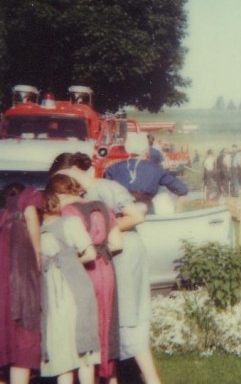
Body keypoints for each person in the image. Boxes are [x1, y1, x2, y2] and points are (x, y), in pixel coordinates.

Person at [48, 153, 161, 384]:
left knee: (127, 318)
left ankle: (150, 379)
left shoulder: (106, 187)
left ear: (73, 172)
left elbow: (137, 216)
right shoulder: (87, 194)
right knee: (113, 318)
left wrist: (101, 230)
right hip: (111, 253)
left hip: (124, 254)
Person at [50, 173, 124, 382]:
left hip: (83, 272)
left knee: (82, 327)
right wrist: (100, 251)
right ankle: (109, 376)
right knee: (106, 324)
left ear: (57, 193)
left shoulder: (66, 213)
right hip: (106, 269)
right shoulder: (102, 206)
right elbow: (118, 244)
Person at [40, 175, 101, 384]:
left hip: (50, 296)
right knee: (83, 351)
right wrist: (73, 261)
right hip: (74, 290)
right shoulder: (70, 223)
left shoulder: (37, 232)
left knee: (62, 353)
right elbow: (91, 254)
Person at [0, 183, 42, 384]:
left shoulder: (4, 216)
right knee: (23, 344)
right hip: (21, 286)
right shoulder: (28, 204)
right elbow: (36, 250)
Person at [104, 156, 188, 214]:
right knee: (163, 196)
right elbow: (182, 189)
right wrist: (178, 209)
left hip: (122, 211)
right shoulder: (155, 168)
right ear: (145, 151)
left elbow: (105, 191)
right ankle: (175, 219)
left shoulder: (112, 168)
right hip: (145, 208)